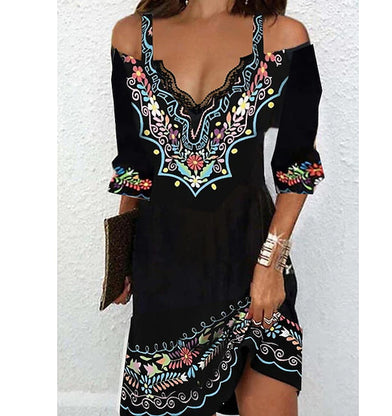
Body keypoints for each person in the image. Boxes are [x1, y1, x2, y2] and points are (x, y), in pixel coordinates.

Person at [107, 0, 325, 415]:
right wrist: (119, 258)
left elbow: (297, 167)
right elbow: (134, 166)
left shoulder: (282, 36)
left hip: (251, 265)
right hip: (164, 270)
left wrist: (271, 263)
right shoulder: (131, 35)